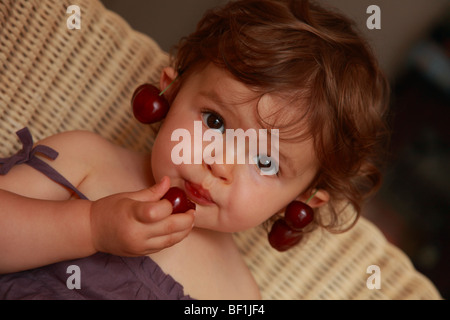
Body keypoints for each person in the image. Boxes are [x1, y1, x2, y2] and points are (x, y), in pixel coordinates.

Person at [0, 0, 389, 299]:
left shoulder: (236, 295)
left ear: (305, 197)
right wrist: (90, 227)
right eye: (216, 122)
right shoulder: (88, 161)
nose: (220, 164)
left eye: (265, 161)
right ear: (171, 88)